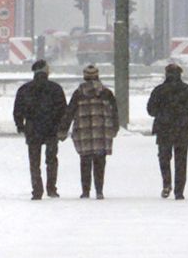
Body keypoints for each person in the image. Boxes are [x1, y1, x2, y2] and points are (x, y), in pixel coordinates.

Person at [146, 61, 188, 200]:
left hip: (164, 129)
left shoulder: (159, 90)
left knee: (164, 158)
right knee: (181, 161)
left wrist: (162, 112)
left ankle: (167, 184)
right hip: (182, 129)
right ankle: (179, 191)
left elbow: (151, 110)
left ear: (166, 74)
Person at [60, 64, 118, 199]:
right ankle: (99, 190)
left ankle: (85, 191)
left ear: (84, 77)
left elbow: (69, 112)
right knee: (100, 162)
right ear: (98, 76)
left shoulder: (78, 94)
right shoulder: (106, 93)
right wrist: (115, 128)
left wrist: (63, 129)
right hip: (101, 132)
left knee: (85, 161)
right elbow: (114, 112)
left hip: (83, 133)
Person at [13, 59, 66, 200]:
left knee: (34, 161)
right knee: (51, 159)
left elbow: (18, 110)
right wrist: (62, 127)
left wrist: (20, 125)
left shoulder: (25, 89)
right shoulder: (55, 88)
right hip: (51, 129)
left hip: (32, 129)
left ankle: (37, 190)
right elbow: (63, 110)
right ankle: (51, 189)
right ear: (45, 70)